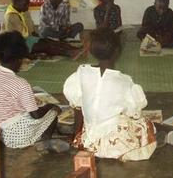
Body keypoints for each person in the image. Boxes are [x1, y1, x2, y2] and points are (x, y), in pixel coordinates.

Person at [63, 28, 166, 161]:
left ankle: (80, 140)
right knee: (145, 124)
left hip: (88, 141)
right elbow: (134, 112)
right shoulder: (124, 82)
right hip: (114, 144)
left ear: (91, 52)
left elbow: (77, 107)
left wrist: (77, 137)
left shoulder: (81, 73)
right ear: (117, 52)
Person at [0, 31, 69, 152]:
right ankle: (44, 141)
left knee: (37, 109)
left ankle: (39, 136)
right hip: (19, 135)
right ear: (19, 59)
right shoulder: (21, 84)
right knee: (52, 113)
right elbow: (35, 115)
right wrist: (50, 106)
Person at [1, 0, 79, 58]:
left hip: (27, 39)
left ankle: (74, 48)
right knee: (45, 46)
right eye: (25, 4)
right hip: (17, 45)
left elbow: (32, 31)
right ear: (16, 3)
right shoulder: (10, 17)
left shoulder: (24, 11)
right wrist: (28, 54)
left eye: (28, 3)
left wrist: (40, 39)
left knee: (49, 41)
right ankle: (68, 53)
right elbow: (11, 42)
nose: (27, 6)